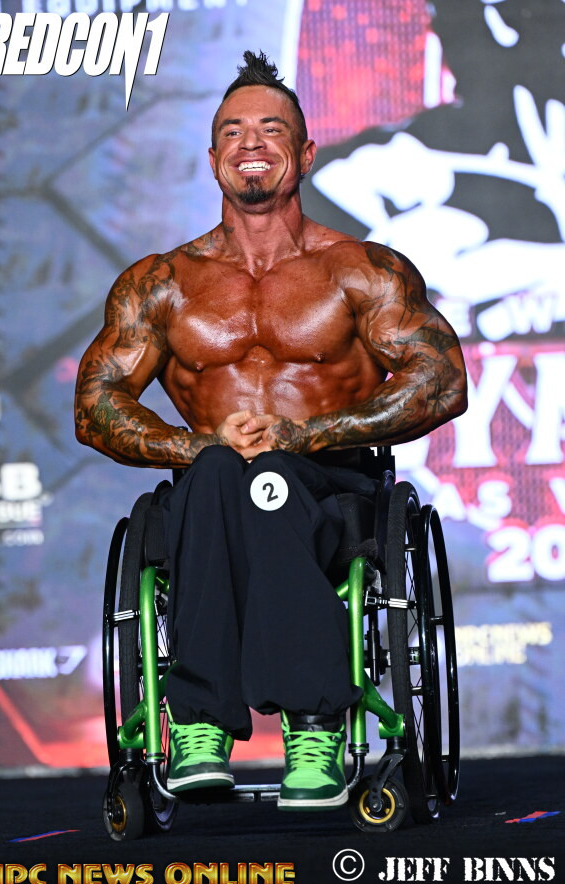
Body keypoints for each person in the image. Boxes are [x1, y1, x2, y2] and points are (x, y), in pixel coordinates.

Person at [75, 51, 467, 811]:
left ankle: (314, 722)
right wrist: (198, 445)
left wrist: (305, 435)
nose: (250, 143)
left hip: (331, 485)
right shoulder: (162, 283)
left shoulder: (361, 270)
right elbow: (96, 403)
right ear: (212, 157)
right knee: (224, 472)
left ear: (306, 153)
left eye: (271, 129)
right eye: (232, 131)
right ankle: (198, 725)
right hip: (208, 489)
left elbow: (441, 379)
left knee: (271, 477)